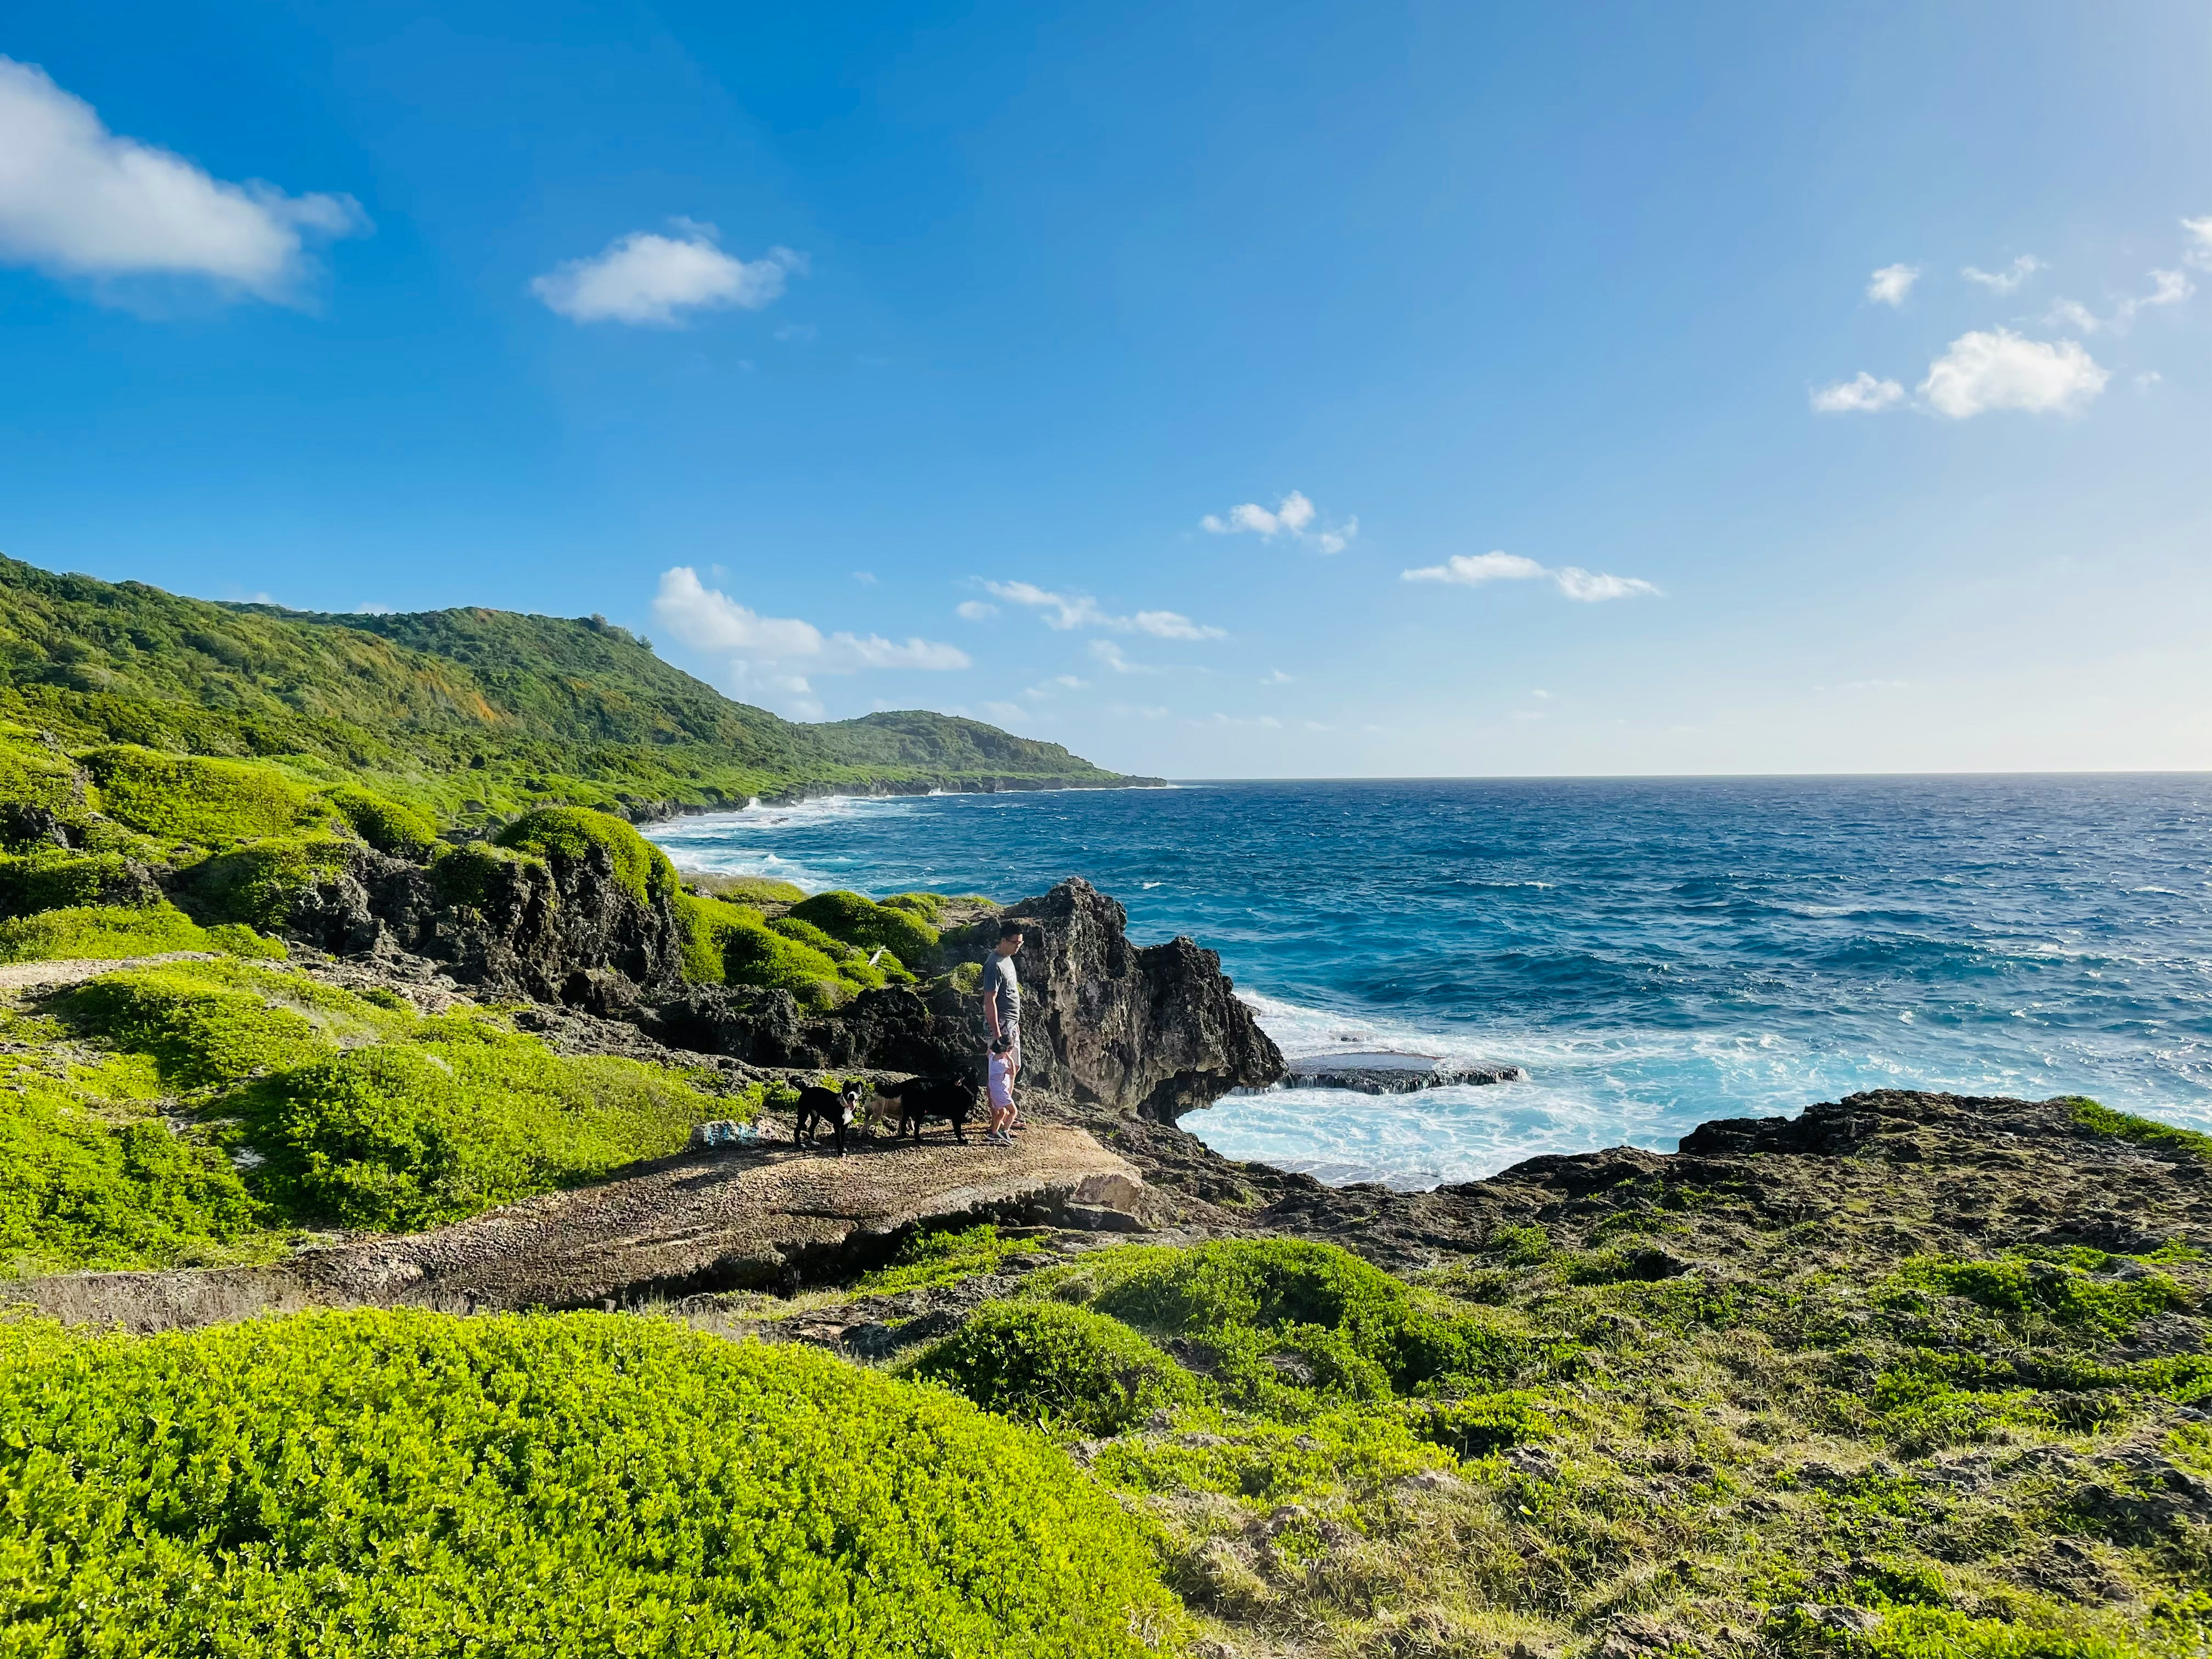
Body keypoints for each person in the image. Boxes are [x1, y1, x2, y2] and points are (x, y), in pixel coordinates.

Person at [980, 918, 1024, 1144]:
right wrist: (998, 1035)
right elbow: (990, 1000)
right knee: (999, 1073)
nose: (1018, 946)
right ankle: (996, 1121)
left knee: (1013, 1068)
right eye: (1014, 942)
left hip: (1012, 1024)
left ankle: (1007, 1114)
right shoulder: (994, 965)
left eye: (1020, 942)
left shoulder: (1008, 959)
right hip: (1003, 1027)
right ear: (1003, 940)